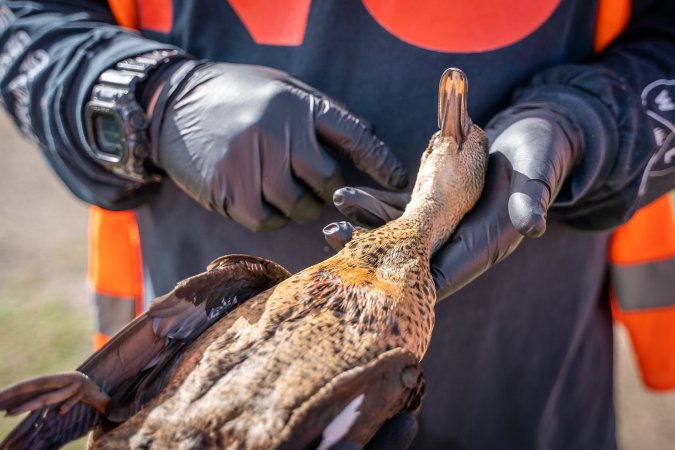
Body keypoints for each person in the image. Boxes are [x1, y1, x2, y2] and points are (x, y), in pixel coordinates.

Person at [0, 0, 674, 448]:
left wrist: (595, 125)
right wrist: (143, 97)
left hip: (533, 397)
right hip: (189, 359)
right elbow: (25, 20)